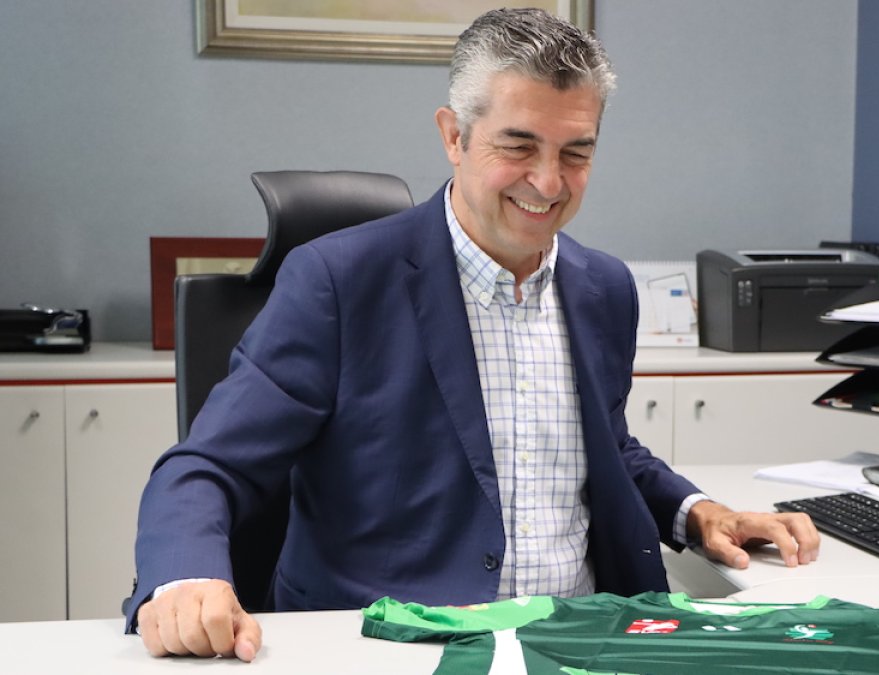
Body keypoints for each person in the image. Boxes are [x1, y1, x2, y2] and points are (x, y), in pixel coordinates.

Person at [130, 8, 820, 662]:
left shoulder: (605, 288)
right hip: (402, 643)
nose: (548, 183)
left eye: (576, 153)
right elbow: (206, 466)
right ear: (454, 136)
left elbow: (604, 448)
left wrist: (697, 512)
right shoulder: (338, 281)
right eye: (518, 146)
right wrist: (186, 578)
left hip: (582, 635)